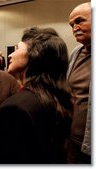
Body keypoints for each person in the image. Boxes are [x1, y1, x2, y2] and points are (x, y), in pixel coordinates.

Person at [0, 27, 73, 163]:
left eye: (17, 48)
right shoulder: (55, 99)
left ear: (34, 55)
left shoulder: (15, 107)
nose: (10, 56)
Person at [66, 2, 91, 164]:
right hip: (72, 141)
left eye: (80, 21)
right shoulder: (76, 53)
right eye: (72, 24)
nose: (75, 27)